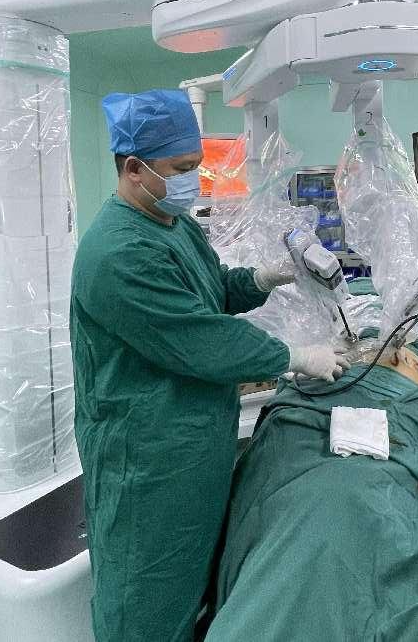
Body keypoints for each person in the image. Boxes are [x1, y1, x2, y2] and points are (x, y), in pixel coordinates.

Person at [70, 88, 349, 642]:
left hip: (191, 445)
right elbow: (199, 337)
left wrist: (260, 278)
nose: (193, 180)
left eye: (196, 165)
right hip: (147, 459)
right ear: (134, 168)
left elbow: (210, 290)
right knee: (145, 602)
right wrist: (293, 356)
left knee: (191, 582)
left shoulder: (173, 225)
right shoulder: (118, 253)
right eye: (182, 169)